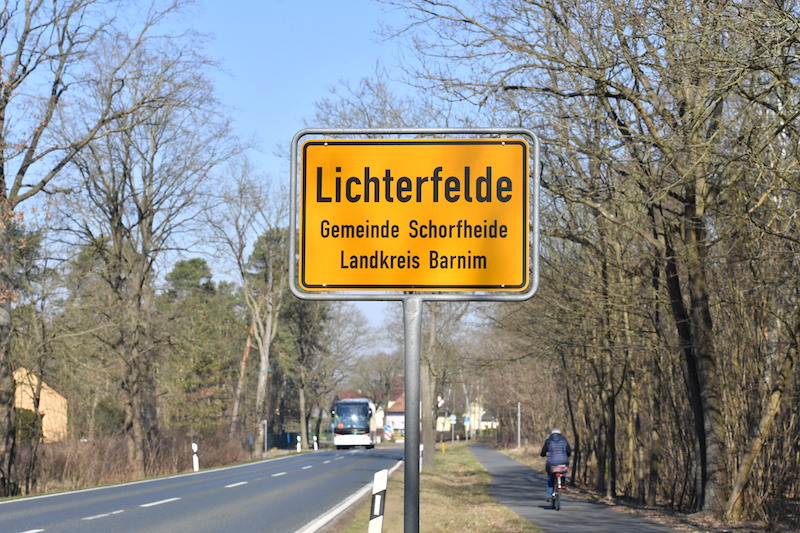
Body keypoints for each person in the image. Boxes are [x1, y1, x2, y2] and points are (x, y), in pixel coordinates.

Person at [540, 428, 571, 502]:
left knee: (550, 479)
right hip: (563, 462)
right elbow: (569, 451)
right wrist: (567, 455)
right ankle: (563, 481)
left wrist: (542, 454)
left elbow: (544, 451)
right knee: (563, 471)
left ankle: (549, 496)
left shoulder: (549, 441)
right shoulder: (564, 440)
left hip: (551, 463)